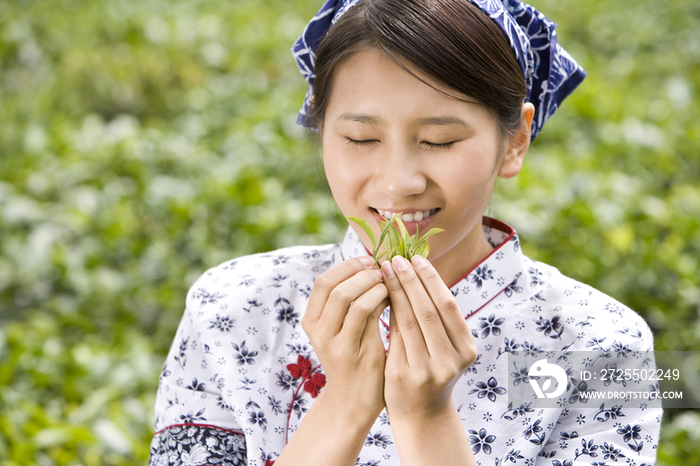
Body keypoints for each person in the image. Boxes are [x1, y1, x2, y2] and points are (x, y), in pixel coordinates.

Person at [149, 0, 661, 465]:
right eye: (361, 137)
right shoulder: (229, 308)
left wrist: (427, 419)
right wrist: (347, 402)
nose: (398, 181)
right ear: (321, 128)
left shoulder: (606, 346)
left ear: (516, 141)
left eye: (438, 140)